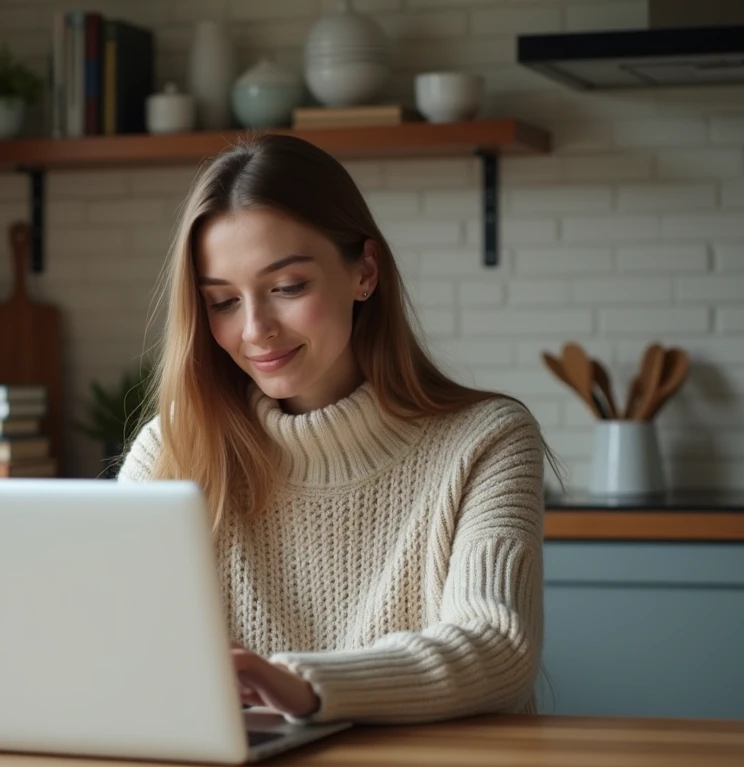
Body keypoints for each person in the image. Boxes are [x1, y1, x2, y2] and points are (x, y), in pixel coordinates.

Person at [117, 133, 548, 726]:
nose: (255, 330)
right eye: (223, 302)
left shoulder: (487, 442)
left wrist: (303, 686)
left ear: (365, 271)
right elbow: (110, 642)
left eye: (287, 287)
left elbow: (499, 646)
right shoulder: (174, 450)